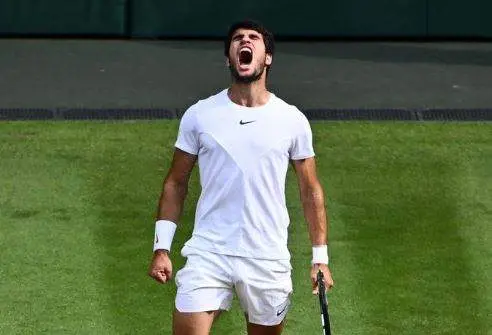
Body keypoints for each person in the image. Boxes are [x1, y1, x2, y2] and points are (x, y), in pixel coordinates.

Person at [148, 20, 334, 335]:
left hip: (266, 255)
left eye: (252, 37)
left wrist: (320, 257)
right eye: (236, 39)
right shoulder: (199, 115)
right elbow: (176, 183)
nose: (243, 41)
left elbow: (309, 189)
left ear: (268, 57)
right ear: (229, 58)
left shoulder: (292, 120)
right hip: (209, 252)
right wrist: (161, 248)